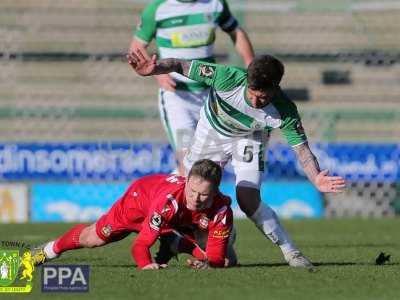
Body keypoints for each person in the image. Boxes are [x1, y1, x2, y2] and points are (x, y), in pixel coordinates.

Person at [127, 49, 347, 268]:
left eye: (263, 96)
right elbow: (179, 64)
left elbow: (303, 151)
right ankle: (183, 241)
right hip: (212, 132)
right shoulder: (227, 77)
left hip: (250, 137)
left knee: (247, 197)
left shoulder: (285, 110)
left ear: (275, 88)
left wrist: (316, 177)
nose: (256, 100)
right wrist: (154, 69)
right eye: (252, 93)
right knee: (192, 189)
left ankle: (291, 252)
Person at [30, 159, 234, 270]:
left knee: (223, 260)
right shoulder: (167, 202)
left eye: (203, 195)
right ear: (187, 181)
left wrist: (210, 263)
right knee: (93, 239)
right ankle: (48, 250)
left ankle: (171, 239)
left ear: (215, 192)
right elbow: (140, 246)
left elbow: (216, 258)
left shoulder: (222, 209)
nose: (196, 199)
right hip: (137, 203)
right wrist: (146, 265)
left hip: (175, 217)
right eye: (192, 191)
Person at [130, 0, 254, 175]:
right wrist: (158, 73)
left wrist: (251, 65)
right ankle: (167, 197)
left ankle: (168, 191)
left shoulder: (215, 4)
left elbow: (236, 32)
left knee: (210, 166)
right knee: (189, 164)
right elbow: (136, 47)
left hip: (211, 96)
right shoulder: (157, 9)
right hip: (178, 98)